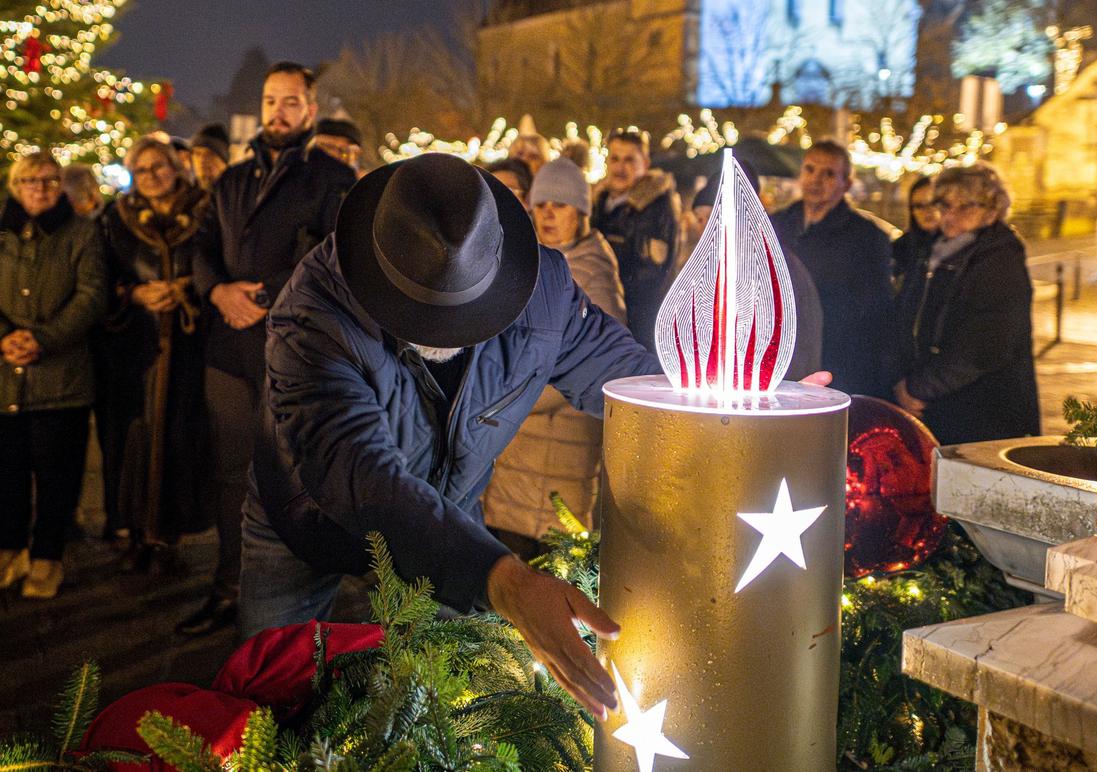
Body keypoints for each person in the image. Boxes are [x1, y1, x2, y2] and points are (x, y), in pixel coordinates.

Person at [241, 152, 832, 718]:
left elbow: (626, 379)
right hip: (305, 521)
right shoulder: (312, 315)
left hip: (450, 519)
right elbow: (362, 479)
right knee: (266, 697)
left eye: (468, 312)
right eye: (422, 312)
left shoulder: (544, 291)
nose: (450, 332)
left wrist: (750, 414)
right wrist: (507, 582)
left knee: (455, 697)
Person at [186, 61, 357, 636]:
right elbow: (203, 243)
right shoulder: (233, 179)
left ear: (310, 110)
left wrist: (260, 293)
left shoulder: (332, 179)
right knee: (229, 470)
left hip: (290, 349)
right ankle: (226, 584)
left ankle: (285, 599)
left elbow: (338, 257)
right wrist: (216, 290)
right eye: (269, 101)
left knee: (284, 473)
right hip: (228, 348)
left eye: (290, 102)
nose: (277, 112)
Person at [483, 157, 626, 556]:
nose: (548, 214)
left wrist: (505, 400)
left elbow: (592, 366)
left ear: (581, 211)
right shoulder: (541, 263)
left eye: (560, 205)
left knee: (543, 571)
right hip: (521, 454)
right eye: (542, 204)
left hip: (557, 459)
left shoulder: (591, 273)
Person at [101, 136, 210, 571]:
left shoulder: (204, 210)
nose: (151, 177)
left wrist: (187, 289)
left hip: (189, 347)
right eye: (142, 170)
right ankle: (134, 531)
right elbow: (104, 276)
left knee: (182, 438)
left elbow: (217, 263)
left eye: (159, 167)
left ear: (176, 167)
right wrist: (137, 293)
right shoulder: (118, 217)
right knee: (136, 440)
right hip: (138, 347)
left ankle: (170, 535)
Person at [0, 151, 106, 599]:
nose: (39, 188)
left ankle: (47, 556)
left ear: (60, 185)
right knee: (7, 472)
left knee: (57, 474)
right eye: (29, 180)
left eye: (48, 180)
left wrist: (43, 338)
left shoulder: (81, 232)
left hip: (61, 379)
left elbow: (91, 295)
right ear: (15, 186)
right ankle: (9, 549)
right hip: (5, 378)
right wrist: (5, 337)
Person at [893, 163, 1040, 445]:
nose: (951, 215)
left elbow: (985, 345)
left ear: (992, 211)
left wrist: (917, 388)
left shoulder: (999, 259)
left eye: (965, 207)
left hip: (980, 413)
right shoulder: (932, 251)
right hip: (935, 407)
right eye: (945, 205)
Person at [770, 139, 895, 398]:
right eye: (810, 169)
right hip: (781, 359)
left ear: (846, 184)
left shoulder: (867, 238)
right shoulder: (774, 226)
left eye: (828, 174)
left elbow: (877, 309)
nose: (816, 180)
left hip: (840, 365)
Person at [686, 165, 824, 380]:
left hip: (773, 393)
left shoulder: (764, 267)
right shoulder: (732, 262)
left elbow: (777, 346)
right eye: (700, 220)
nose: (704, 229)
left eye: (711, 218)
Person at [591, 129, 681, 353]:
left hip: (636, 322)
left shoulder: (656, 207)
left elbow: (651, 276)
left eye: (630, 160)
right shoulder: (599, 201)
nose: (620, 167)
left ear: (646, 163)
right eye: (615, 159)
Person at [892, 176, 940, 295]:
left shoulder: (958, 248)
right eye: (919, 206)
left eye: (933, 203)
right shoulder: (902, 246)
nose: (927, 211)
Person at [190, 123, 230, 191]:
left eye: (209, 154)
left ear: (224, 161)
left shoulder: (237, 196)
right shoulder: (186, 197)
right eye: (197, 154)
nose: (202, 160)